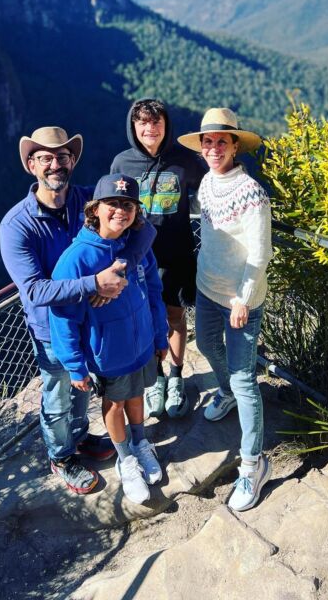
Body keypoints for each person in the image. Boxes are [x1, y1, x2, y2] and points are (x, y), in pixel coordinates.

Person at [0, 127, 156, 495]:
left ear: (72, 161)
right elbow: (36, 290)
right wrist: (93, 285)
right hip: (50, 330)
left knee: (84, 390)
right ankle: (62, 457)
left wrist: (122, 267)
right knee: (58, 395)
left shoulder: (88, 199)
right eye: (46, 158)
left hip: (95, 325)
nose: (56, 164)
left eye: (63, 157)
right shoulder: (16, 226)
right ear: (31, 165)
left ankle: (81, 438)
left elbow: (143, 229)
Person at [49, 174, 169, 504]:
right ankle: (125, 458)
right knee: (115, 403)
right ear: (95, 210)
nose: (121, 210)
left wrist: (160, 335)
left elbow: (155, 292)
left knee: (136, 395)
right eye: (112, 204)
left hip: (142, 343)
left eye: (128, 204)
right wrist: (75, 366)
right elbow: (63, 318)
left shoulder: (136, 247)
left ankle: (141, 443)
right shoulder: (77, 259)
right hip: (108, 354)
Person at [178, 108, 273, 512]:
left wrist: (244, 297)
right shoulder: (205, 183)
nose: (214, 147)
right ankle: (227, 393)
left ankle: (254, 464)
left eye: (222, 140)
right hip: (206, 289)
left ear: (235, 146)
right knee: (211, 350)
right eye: (208, 141)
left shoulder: (252, 192)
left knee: (244, 378)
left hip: (239, 301)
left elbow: (260, 251)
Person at [111, 99, 206, 419]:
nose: (149, 129)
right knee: (148, 320)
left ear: (166, 126)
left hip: (178, 255)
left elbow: (210, 188)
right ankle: (157, 380)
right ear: (133, 127)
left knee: (176, 318)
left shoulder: (185, 161)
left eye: (156, 123)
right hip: (138, 259)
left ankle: (176, 377)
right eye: (143, 123)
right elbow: (111, 210)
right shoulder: (122, 164)